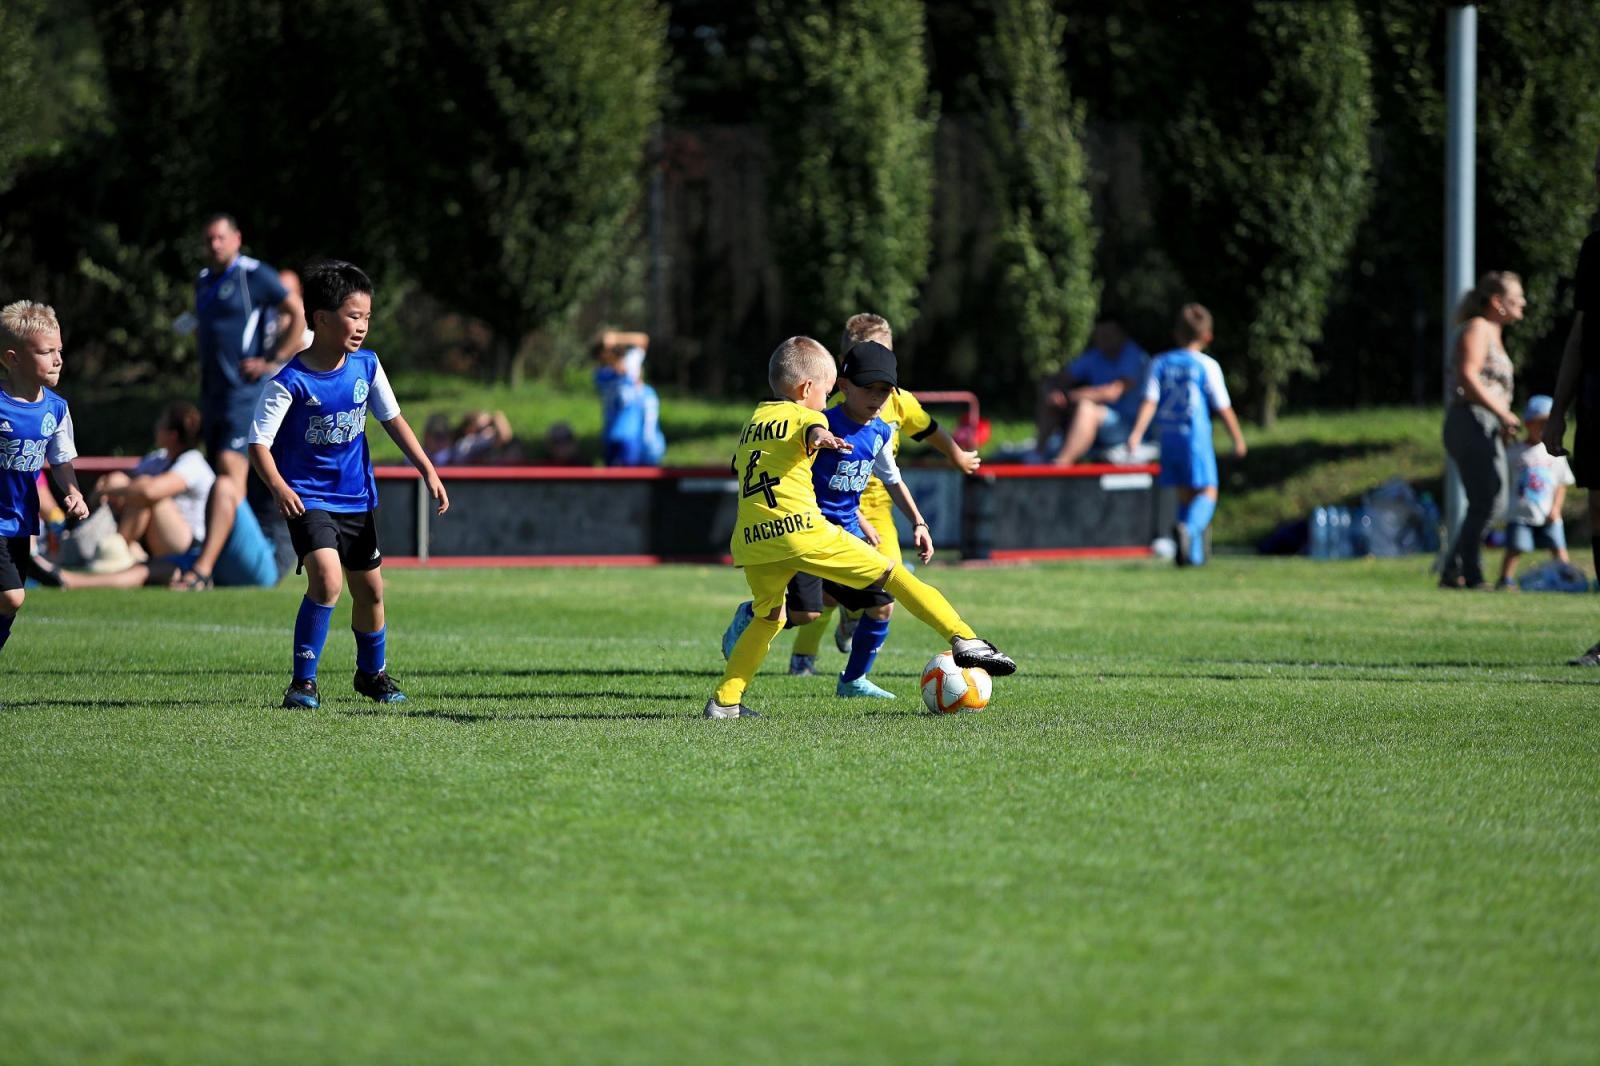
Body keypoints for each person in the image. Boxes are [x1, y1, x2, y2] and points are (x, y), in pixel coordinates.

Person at [707, 336, 1015, 719]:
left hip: (753, 540)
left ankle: (725, 702)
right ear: (806, 389)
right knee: (892, 573)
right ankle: (965, 638)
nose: (827, 399)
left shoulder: (755, 419)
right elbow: (810, 431)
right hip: (800, 531)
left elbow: (740, 466)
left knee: (772, 616)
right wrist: (821, 437)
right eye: (825, 389)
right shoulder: (810, 416)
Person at [248, 260, 448, 710]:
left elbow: (393, 420)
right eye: (354, 316)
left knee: (371, 591)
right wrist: (280, 487)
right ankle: (304, 683)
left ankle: (371, 674)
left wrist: (427, 469)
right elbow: (258, 444)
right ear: (320, 318)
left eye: (367, 317)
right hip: (309, 498)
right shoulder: (289, 382)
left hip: (357, 499)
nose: (362, 326)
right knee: (326, 578)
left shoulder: (367, 367)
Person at [787, 312, 982, 676]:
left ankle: (855, 665)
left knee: (885, 589)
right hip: (838, 507)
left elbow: (930, 429)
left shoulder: (898, 401)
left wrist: (957, 455)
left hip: (879, 509)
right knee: (826, 595)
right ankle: (804, 656)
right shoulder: (833, 414)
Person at [742, 341, 938, 699]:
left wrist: (918, 522)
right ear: (843, 387)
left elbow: (890, 478)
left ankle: (852, 680)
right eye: (870, 389)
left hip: (843, 535)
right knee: (804, 615)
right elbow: (798, 469)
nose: (877, 398)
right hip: (806, 532)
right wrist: (821, 439)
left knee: (882, 604)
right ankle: (751, 615)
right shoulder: (820, 420)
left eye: (885, 391)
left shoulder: (880, 431)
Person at [187, 214, 306, 494]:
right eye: (209, 240)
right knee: (215, 470)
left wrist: (273, 360)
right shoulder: (203, 281)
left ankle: (238, 538)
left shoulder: (253, 274)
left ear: (236, 239)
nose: (215, 245)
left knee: (231, 470)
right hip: (211, 391)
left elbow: (297, 312)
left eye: (221, 238)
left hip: (242, 391)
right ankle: (229, 536)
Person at [1123, 303, 1247, 567]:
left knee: (1185, 495)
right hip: (1195, 439)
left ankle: (1193, 557)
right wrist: (1237, 438)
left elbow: (1149, 401)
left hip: (1168, 438)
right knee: (1208, 492)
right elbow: (1222, 406)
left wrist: (1136, 434)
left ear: (1176, 334)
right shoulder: (1206, 365)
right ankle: (1188, 531)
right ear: (1207, 337)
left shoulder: (1160, 363)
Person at [0, 301, 90, 665]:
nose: (57, 359)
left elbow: (60, 458)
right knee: (12, 597)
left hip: (21, 520)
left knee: (10, 604)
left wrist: (73, 492)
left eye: (59, 351)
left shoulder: (55, 408)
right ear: (13, 357)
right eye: (46, 351)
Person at [1542, 143, 1600, 665]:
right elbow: (1580, 337)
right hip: (1599, 394)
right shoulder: (1595, 249)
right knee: (1599, 514)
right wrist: (1559, 409)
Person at [1439, 271, 1525, 590]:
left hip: (1484, 422)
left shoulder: (1493, 332)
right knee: (1488, 501)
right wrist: (1501, 413)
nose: (1524, 302)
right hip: (1471, 419)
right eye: (1517, 297)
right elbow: (1467, 376)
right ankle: (1468, 573)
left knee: (1490, 501)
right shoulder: (1478, 328)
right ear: (1497, 303)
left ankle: (1455, 569)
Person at [93, 401, 213, 559]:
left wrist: (106, 490)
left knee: (148, 494)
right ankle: (123, 549)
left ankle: (118, 550)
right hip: (156, 536)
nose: (156, 427)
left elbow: (149, 491)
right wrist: (111, 485)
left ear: (173, 435)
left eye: (161, 423)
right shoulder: (160, 458)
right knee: (126, 482)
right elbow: (122, 480)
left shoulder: (194, 463)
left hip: (188, 544)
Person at [1035, 314, 1150, 466]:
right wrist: (1053, 391)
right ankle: (1036, 456)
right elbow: (1061, 377)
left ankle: (1060, 465)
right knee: (1052, 398)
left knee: (1087, 409)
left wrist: (1069, 397)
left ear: (1121, 334)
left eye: (1108, 335)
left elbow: (1112, 393)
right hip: (1101, 424)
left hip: (1128, 429)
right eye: (1100, 334)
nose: (1103, 339)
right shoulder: (1096, 355)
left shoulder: (1133, 356)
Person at [1497, 395, 1576, 589]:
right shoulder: (1515, 451)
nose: (1543, 429)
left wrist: (1556, 509)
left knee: (1557, 547)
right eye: (1539, 423)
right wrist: (1505, 435)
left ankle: (1567, 577)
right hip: (1521, 512)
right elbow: (1499, 459)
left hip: (1549, 512)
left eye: (1548, 424)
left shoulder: (1554, 452)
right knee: (1515, 547)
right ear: (1528, 424)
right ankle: (1505, 580)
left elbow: (1561, 483)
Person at [592, 329, 666, 466]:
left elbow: (643, 340)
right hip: (612, 435)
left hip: (629, 436)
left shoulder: (627, 365)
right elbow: (642, 341)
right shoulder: (602, 374)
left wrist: (617, 338)